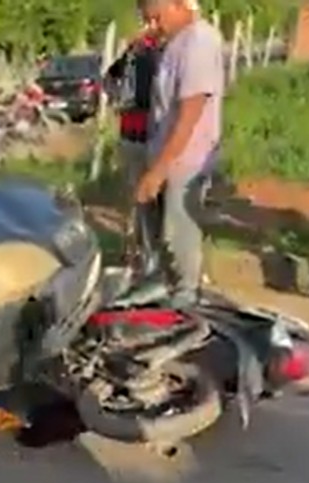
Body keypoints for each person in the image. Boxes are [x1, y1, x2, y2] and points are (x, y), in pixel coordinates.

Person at [134, 0, 224, 305]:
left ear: (176, 4)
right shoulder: (176, 43)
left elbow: (190, 112)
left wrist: (160, 169)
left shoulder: (198, 41)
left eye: (156, 18)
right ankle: (165, 289)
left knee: (179, 230)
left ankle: (187, 301)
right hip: (167, 155)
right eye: (148, 21)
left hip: (187, 159)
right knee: (160, 231)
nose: (153, 27)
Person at [105, 16, 161, 269]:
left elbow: (109, 80)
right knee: (147, 196)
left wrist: (117, 101)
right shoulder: (161, 52)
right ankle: (145, 252)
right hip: (150, 133)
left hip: (133, 132)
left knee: (138, 196)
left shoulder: (133, 52)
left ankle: (136, 250)